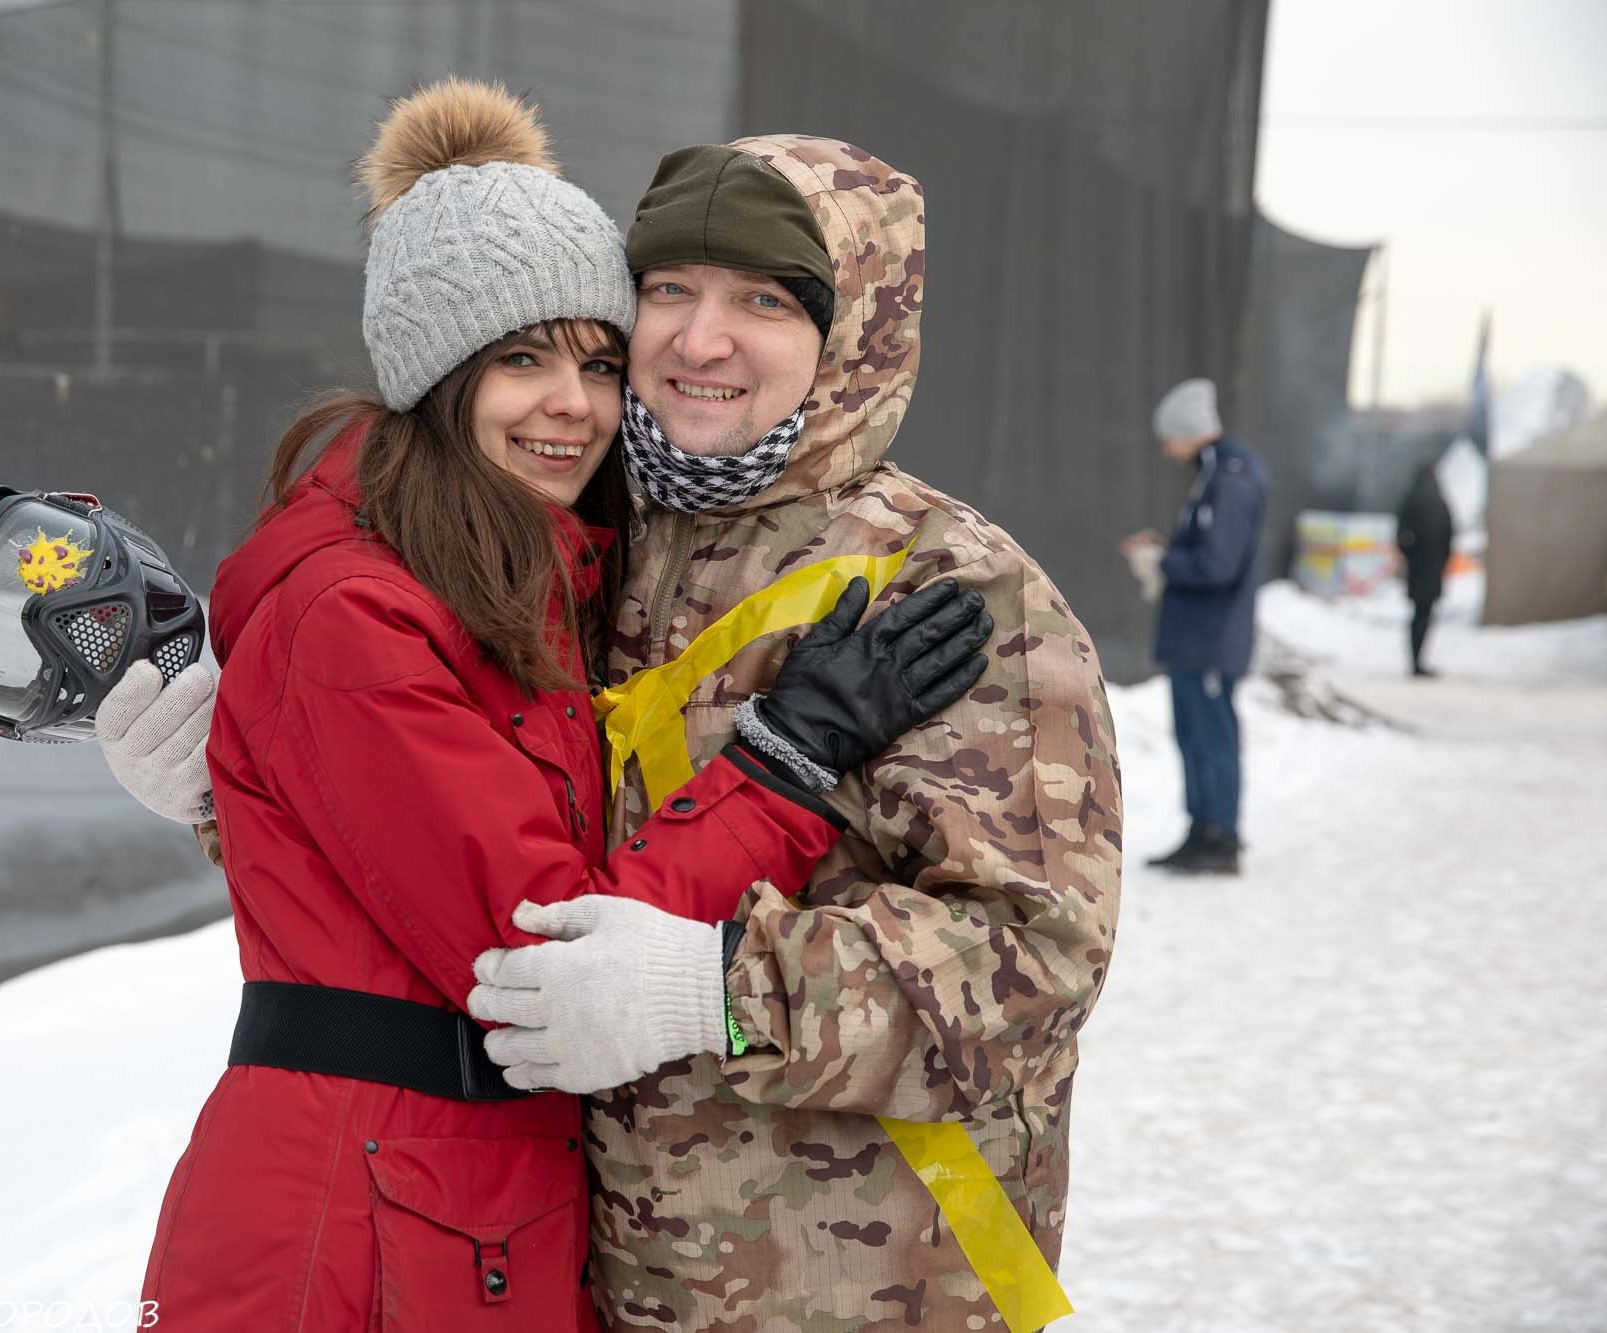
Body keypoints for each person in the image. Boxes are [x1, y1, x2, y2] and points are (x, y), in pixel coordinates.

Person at [109, 131, 1118, 1330]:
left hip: (858, 1292)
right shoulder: (576, 544)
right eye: (668, 292)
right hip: (598, 1278)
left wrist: (720, 993)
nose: (699, 339)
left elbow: (1034, 970)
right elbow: (460, 866)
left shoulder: (945, 586)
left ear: (854, 331)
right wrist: (240, 796)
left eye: (762, 299)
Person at [1121, 377, 1267, 876]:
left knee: (1213, 737)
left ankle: (1221, 838)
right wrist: (1167, 554)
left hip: (1211, 637)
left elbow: (1218, 564)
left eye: (1170, 437)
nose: (1166, 448)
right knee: (1193, 736)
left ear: (1190, 431)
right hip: (1197, 637)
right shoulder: (1215, 474)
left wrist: (1163, 563)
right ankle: (1201, 829)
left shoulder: (1231, 478)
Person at [1396, 458, 1454, 677]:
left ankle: (1415, 660)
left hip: (1417, 570)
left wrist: (1411, 555)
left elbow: (1401, 537)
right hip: (1433, 570)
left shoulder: (1410, 502)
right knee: (1425, 615)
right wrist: (1441, 562)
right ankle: (1419, 661)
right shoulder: (1440, 505)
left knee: (1417, 615)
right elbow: (1450, 537)